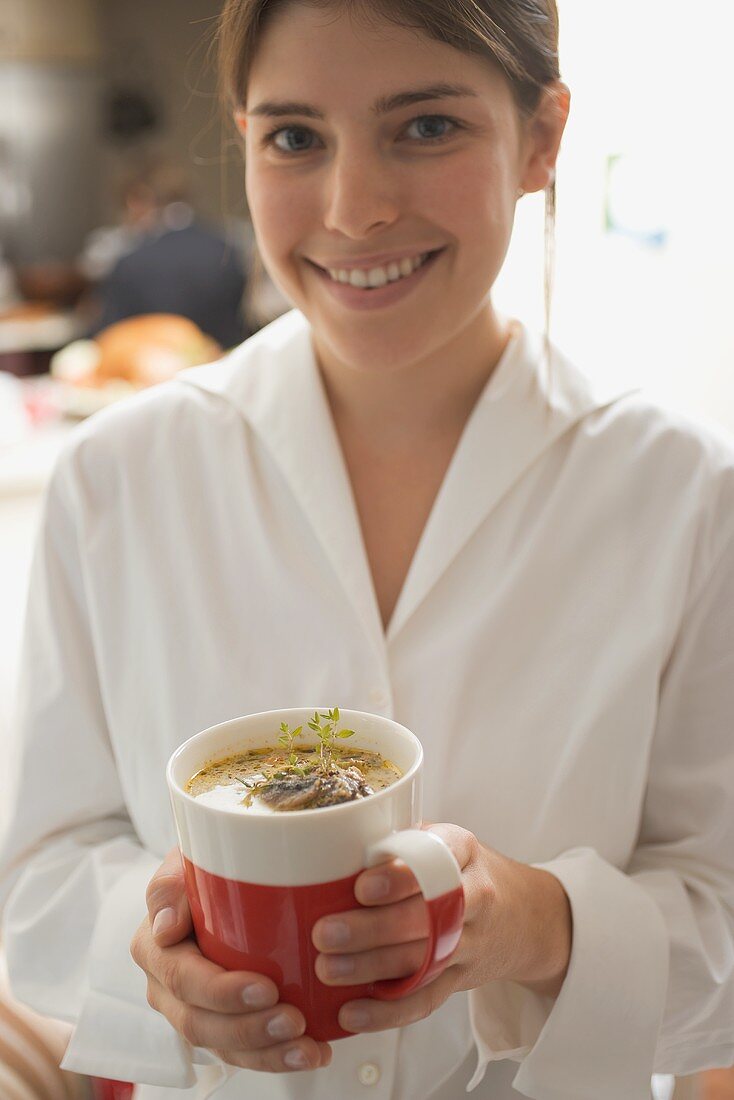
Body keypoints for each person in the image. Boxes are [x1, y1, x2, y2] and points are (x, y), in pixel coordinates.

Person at [1, 2, 733, 1098]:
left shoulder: (679, 490)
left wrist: (544, 926)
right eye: (294, 137)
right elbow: (39, 876)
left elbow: (717, 903)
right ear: (243, 136)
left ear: (540, 139)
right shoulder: (120, 477)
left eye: (426, 126)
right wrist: (149, 951)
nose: (353, 210)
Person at [81, 158, 251, 349]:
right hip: (226, 365)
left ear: (136, 201)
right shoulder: (230, 250)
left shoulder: (131, 263)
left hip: (155, 372)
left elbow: (107, 337)